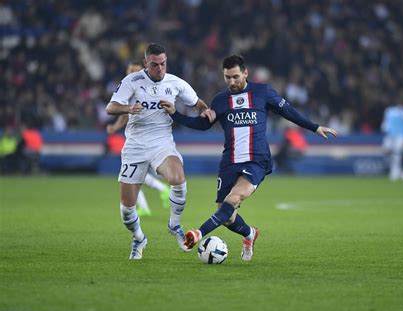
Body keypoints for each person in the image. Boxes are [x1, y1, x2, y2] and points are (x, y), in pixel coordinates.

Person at [161, 55, 337, 261]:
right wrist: (175, 114)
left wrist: (315, 127)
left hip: (257, 160)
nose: (232, 82)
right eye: (227, 78)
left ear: (245, 73)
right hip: (229, 161)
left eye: (235, 77)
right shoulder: (219, 100)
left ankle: (198, 234)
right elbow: (203, 125)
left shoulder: (262, 92)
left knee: (233, 199)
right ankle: (250, 234)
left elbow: (287, 111)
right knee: (226, 215)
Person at [105, 43, 212, 259]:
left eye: (163, 64)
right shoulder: (132, 81)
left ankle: (174, 224)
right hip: (135, 145)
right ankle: (139, 238)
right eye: (155, 64)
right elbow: (111, 107)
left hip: (162, 143)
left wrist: (205, 111)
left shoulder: (175, 83)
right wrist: (128, 108)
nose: (160, 68)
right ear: (146, 63)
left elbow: (198, 103)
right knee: (127, 210)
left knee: (178, 178)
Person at [106, 61, 170, 217]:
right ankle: (144, 206)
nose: (130, 74)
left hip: (142, 140)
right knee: (134, 176)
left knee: (132, 175)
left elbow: (126, 116)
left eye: (132, 71)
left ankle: (161, 191)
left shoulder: (139, 89)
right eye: (129, 71)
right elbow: (126, 115)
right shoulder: (133, 88)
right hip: (142, 139)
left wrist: (114, 128)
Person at [381, 102, 403, 181]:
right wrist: (384, 128)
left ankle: (395, 172)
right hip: (390, 135)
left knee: (397, 154)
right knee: (387, 152)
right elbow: (386, 122)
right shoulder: (389, 111)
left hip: (401, 136)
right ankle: (398, 171)